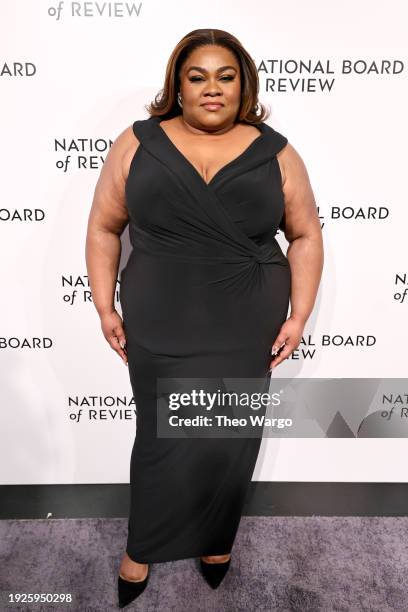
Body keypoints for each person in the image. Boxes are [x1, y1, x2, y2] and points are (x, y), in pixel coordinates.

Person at [85, 28, 323, 609]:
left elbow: (306, 235)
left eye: (225, 76)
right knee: (161, 437)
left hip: (246, 316)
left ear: (243, 85)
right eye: (197, 77)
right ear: (178, 85)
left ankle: (216, 541)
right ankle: (141, 547)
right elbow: (102, 226)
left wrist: (300, 313)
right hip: (159, 314)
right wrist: (101, 303)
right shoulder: (137, 143)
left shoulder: (277, 151)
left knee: (227, 438)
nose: (211, 88)